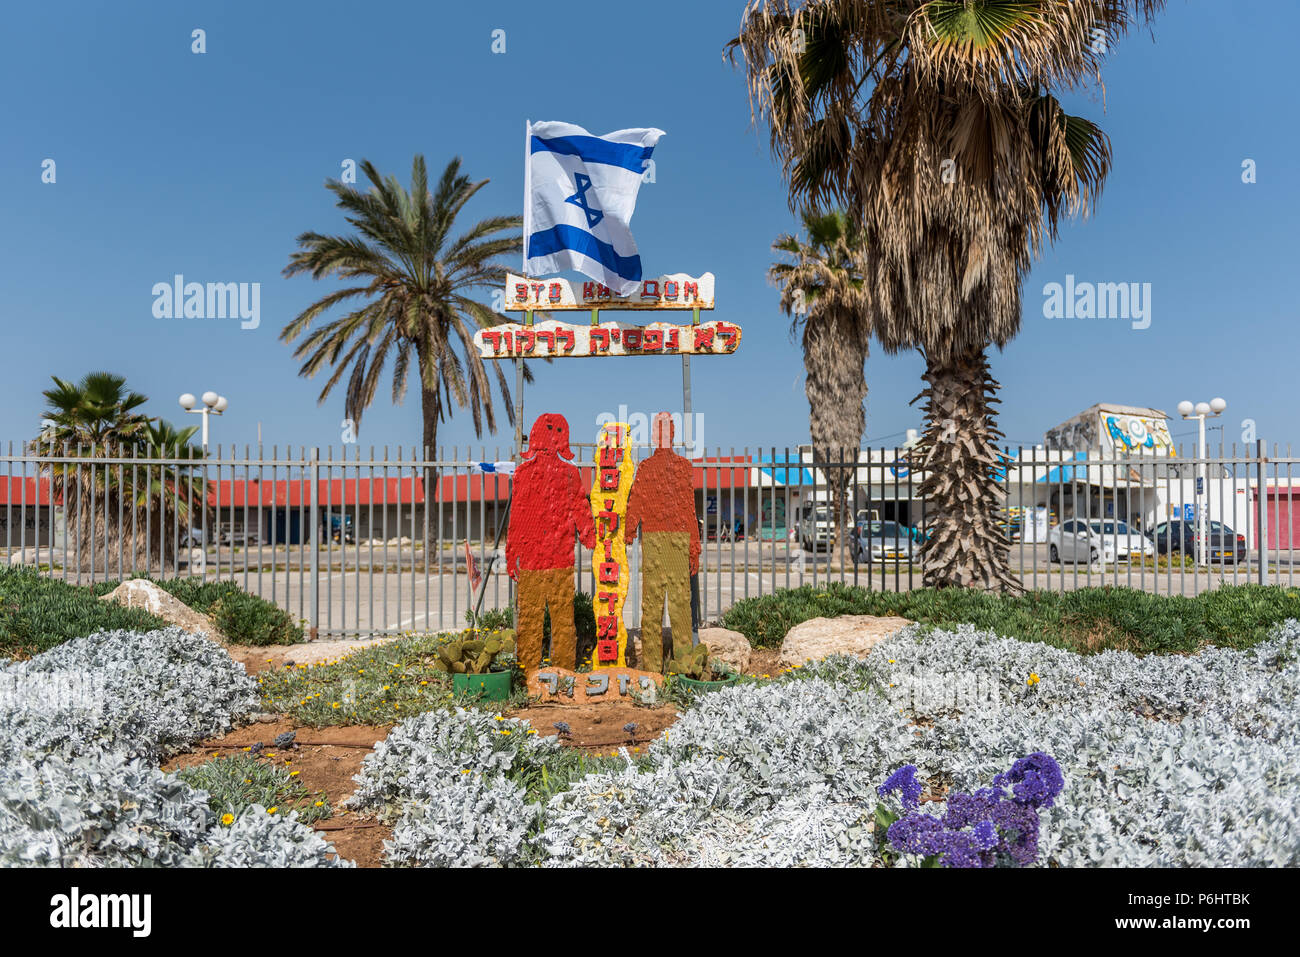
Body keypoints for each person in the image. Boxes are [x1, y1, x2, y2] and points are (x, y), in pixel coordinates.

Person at [506, 414, 595, 672]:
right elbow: (519, 516)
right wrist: (512, 553)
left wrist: (589, 533)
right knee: (535, 620)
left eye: (557, 431)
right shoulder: (525, 474)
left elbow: (579, 505)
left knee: (560, 620)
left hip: (556, 561)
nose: (553, 436)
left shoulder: (568, 474)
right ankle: (530, 672)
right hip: (540, 561)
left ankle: (561, 671)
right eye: (549, 430)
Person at [625, 413, 700, 673]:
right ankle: (681, 667)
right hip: (671, 541)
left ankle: (654, 671)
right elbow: (688, 510)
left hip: (662, 541)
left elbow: (687, 508)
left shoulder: (657, 468)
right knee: (676, 607)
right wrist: (693, 547)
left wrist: (630, 528)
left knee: (656, 608)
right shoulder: (679, 467)